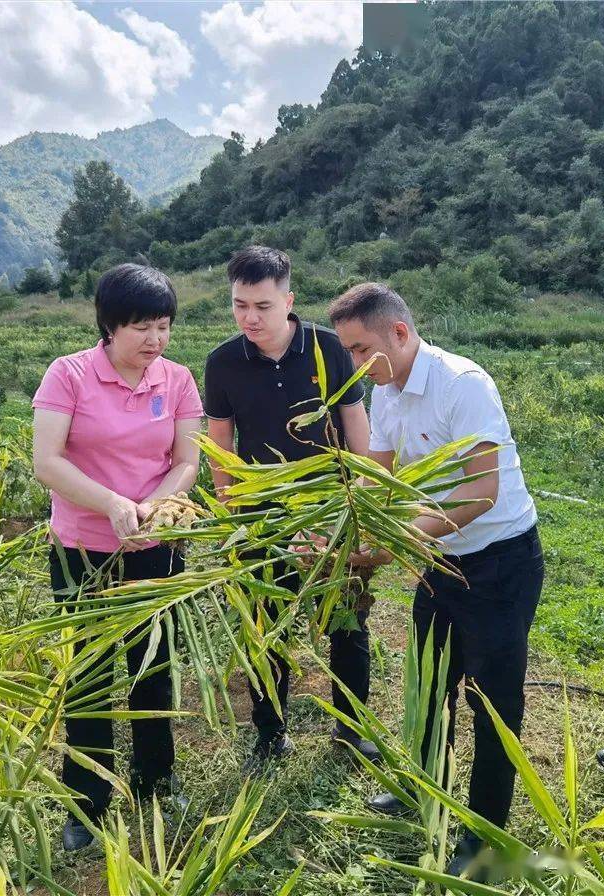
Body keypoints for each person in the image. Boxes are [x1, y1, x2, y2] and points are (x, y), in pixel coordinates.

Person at [328, 282, 543, 877]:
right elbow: (379, 478)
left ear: (399, 332)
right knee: (430, 681)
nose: (354, 363)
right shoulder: (386, 392)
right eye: (346, 350)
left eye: (359, 347)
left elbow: (482, 490)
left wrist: (398, 541)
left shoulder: (462, 384)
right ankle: (424, 788)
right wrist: (350, 536)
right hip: (440, 562)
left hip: (499, 561)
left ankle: (485, 835)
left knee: (493, 703)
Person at [32, 263, 203, 851]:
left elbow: (186, 461)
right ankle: (87, 801)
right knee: (89, 672)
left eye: (163, 326)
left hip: (156, 547)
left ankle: (156, 779)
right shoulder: (69, 375)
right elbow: (48, 462)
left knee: (153, 666)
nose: (154, 341)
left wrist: (153, 508)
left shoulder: (177, 379)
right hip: (84, 547)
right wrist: (111, 505)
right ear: (108, 326)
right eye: (141, 328)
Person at [204, 245, 377, 772]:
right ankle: (270, 732)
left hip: (331, 513)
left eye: (262, 306)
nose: (250, 318)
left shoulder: (328, 348)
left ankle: (350, 729)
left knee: (347, 623)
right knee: (264, 624)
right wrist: (231, 511)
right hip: (262, 517)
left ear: (289, 301)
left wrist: (364, 501)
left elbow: (355, 421)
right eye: (239, 306)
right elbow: (220, 441)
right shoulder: (223, 362)